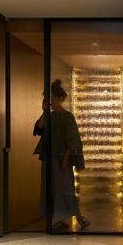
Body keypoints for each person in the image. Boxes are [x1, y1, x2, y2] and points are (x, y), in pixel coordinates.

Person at [33, 79, 90, 230]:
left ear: (58, 98)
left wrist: (66, 158)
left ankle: (78, 216)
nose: (49, 100)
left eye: (51, 97)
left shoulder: (68, 117)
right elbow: (39, 127)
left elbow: (72, 140)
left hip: (61, 159)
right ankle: (58, 218)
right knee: (52, 189)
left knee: (66, 189)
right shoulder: (50, 116)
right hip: (49, 158)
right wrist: (44, 111)